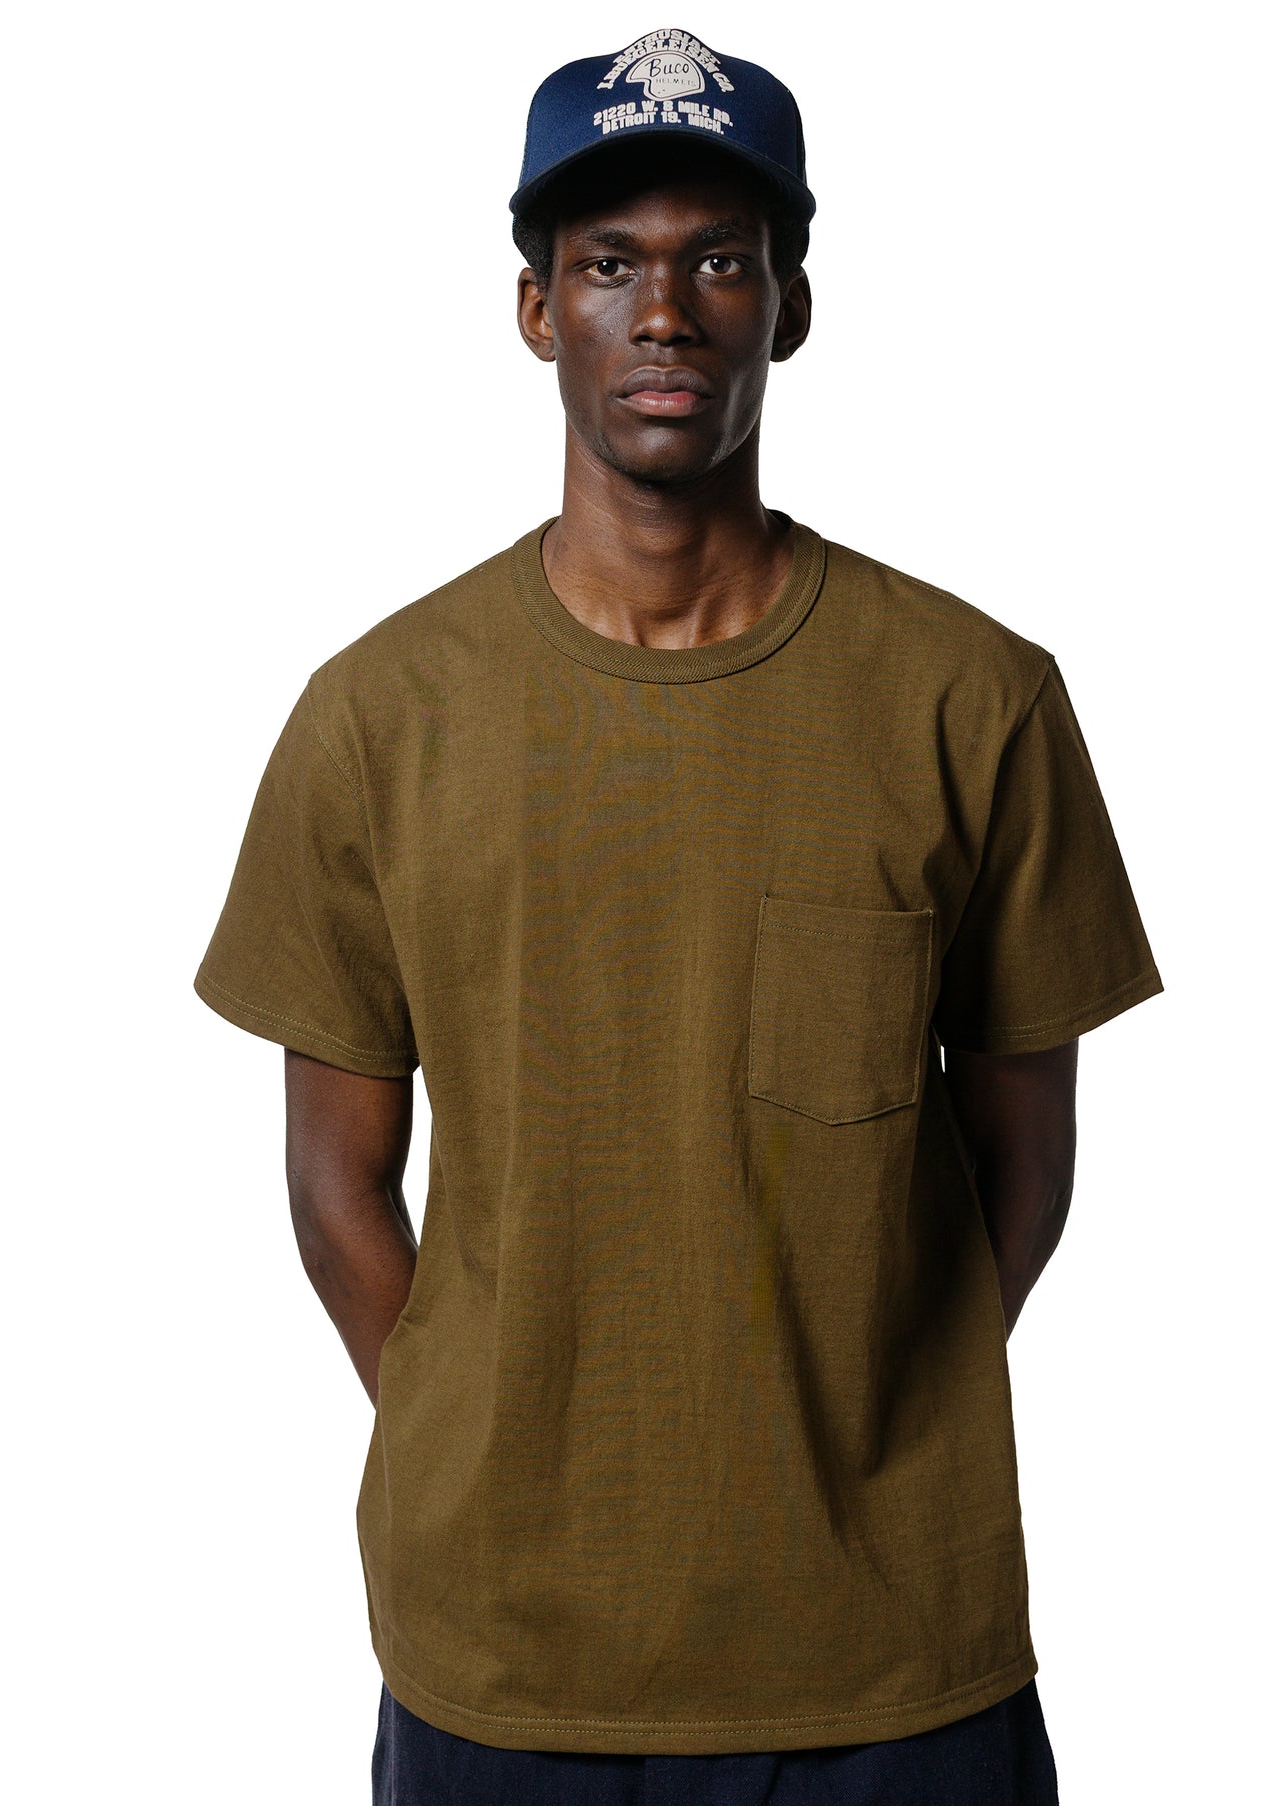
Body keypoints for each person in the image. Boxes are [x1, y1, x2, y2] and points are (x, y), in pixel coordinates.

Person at [195, 25, 1162, 1805]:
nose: (662, 311)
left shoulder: (969, 698)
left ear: (788, 307)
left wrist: (864, 1418)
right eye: (607, 264)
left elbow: (1025, 1158)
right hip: (503, 1660)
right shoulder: (379, 718)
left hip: (894, 1652)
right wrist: (482, 1444)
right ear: (533, 309)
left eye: (719, 259)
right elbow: (334, 1187)